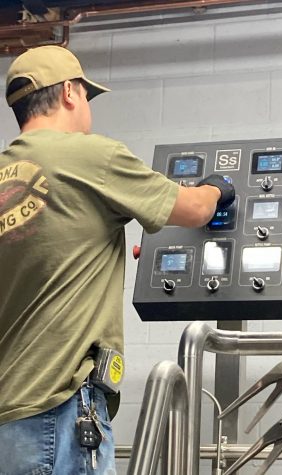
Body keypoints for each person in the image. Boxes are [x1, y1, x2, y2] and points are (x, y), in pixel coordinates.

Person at [0, 45, 235, 475]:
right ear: (71, 92)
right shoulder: (91, 156)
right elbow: (195, 210)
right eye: (86, 98)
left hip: (8, 417)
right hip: (60, 411)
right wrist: (218, 187)